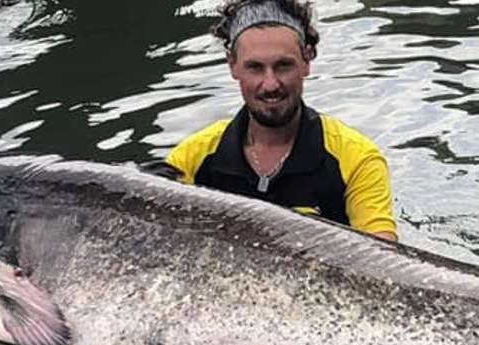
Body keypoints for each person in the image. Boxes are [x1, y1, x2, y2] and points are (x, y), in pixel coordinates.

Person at [146, 0, 398, 241]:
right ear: (232, 65)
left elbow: (389, 265)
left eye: (283, 66)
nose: (270, 84)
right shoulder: (193, 157)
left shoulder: (358, 160)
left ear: (307, 60)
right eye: (255, 67)